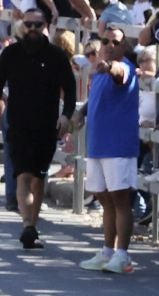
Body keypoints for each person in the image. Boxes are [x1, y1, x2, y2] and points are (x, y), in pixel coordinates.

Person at [0, 6, 76, 249]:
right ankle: (27, 225)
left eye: (37, 25)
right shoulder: (10, 54)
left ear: (46, 26)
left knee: (39, 176)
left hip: (46, 126)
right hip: (18, 123)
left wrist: (65, 116)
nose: (32, 29)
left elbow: (71, 90)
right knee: (23, 174)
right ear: (23, 25)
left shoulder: (56, 56)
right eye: (29, 25)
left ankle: (32, 224)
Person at [79, 25, 138, 273]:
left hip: (118, 146)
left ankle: (122, 255)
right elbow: (94, 101)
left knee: (121, 200)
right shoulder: (99, 71)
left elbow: (120, 72)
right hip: (97, 145)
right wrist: (78, 113)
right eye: (106, 41)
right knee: (106, 202)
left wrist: (109, 67)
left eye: (115, 42)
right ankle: (107, 252)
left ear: (124, 46)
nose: (110, 45)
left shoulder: (124, 67)